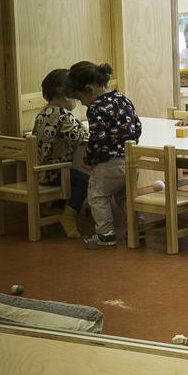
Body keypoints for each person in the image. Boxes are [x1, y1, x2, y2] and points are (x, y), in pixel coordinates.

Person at [65, 62, 141, 247]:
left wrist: (88, 159)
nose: (82, 103)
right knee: (126, 197)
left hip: (108, 164)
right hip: (130, 160)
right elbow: (137, 126)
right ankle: (139, 227)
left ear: (89, 89)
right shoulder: (123, 99)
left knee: (97, 196)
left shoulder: (96, 107)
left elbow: (97, 138)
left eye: (80, 97)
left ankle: (105, 234)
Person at [33, 69, 90, 239]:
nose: (77, 99)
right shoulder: (64, 116)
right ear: (63, 93)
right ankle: (68, 216)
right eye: (75, 94)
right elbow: (80, 138)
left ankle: (57, 210)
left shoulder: (42, 113)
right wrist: (84, 127)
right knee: (86, 181)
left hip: (41, 171)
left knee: (73, 176)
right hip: (55, 172)